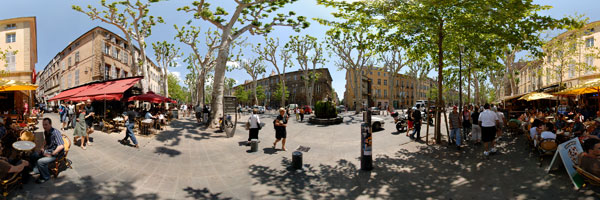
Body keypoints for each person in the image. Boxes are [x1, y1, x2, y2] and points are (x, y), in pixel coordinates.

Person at [31, 118, 64, 183]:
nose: (44, 126)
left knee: (40, 161)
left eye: (46, 125)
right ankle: (37, 170)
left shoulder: (56, 132)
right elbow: (46, 140)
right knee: (34, 155)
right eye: (43, 125)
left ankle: (45, 177)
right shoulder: (46, 131)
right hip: (49, 150)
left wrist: (51, 154)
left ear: (50, 124)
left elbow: (61, 146)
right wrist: (42, 147)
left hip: (56, 153)